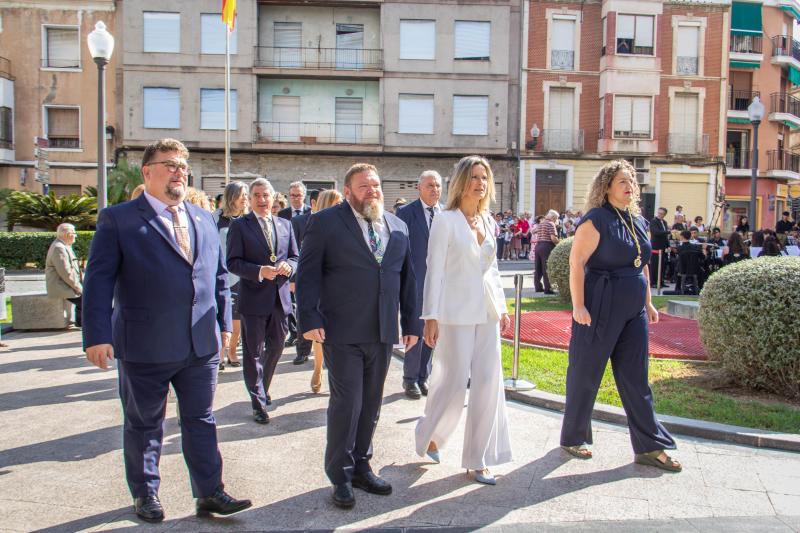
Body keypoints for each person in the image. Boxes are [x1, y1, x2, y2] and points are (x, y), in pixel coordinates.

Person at [82, 138, 251, 523]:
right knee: (144, 423)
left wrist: (224, 324)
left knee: (202, 419)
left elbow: (219, 278)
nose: (179, 172)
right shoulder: (119, 219)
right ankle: (146, 494)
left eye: (182, 166)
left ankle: (210, 492)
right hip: (144, 343)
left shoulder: (204, 218)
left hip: (199, 344)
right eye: (170, 164)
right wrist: (96, 335)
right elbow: (98, 280)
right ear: (148, 171)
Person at [296, 163, 419, 509]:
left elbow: (408, 280)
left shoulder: (398, 226)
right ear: (348, 191)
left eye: (376, 185)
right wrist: (308, 317)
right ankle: (340, 475)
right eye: (364, 186)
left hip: (381, 330)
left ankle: (362, 466)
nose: (372, 191)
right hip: (341, 328)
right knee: (347, 402)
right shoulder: (324, 223)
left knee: (372, 403)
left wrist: (412, 324)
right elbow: (308, 275)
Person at [560, 159, 680, 472]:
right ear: (607, 187)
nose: (629, 187)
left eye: (631, 181)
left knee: (636, 378)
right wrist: (578, 305)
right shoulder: (596, 219)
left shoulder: (638, 219)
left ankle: (649, 447)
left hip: (634, 308)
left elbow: (643, 264)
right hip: (600, 302)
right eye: (622, 182)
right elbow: (576, 263)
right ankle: (574, 437)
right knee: (586, 372)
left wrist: (649, 302)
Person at [415, 155, 512, 486]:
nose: (481, 183)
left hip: (486, 312)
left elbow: (493, 269)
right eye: (474, 177)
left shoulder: (489, 221)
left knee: (487, 383)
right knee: (453, 382)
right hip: (454, 313)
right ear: (461, 181)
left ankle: (478, 459)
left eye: (485, 177)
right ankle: (429, 434)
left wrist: (502, 307)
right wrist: (430, 317)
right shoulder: (446, 220)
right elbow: (434, 270)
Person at [226, 178, 299, 424]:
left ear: (273, 197)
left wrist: (290, 265)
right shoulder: (240, 226)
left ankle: (262, 386)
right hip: (253, 300)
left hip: (280, 299)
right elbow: (233, 262)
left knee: (277, 346)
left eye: (265, 195)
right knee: (253, 353)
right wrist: (259, 271)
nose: (261, 199)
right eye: (256, 195)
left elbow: (295, 256)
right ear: (249, 199)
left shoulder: (285, 225)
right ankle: (258, 402)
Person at [396, 170, 442, 399]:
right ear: (419, 188)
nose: (435, 189)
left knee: (433, 332)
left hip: (440, 285)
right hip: (415, 283)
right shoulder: (405, 213)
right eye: (430, 186)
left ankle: (424, 376)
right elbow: (399, 249)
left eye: (437, 186)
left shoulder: (446, 214)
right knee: (415, 330)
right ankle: (410, 379)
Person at [303, 189, 344, 393]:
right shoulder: (317, 224)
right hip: (320, 289)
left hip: (340, 292)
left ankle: (328, 373)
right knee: (321, 336)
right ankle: (318, 370)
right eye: (336, 203)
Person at [215, 181, 249, 370]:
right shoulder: (215, 219)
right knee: (220, 317)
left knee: (237, 320)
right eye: (242, 195)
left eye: (246, 195)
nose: (245, 199)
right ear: (232, 196)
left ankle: (232, 352)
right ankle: (220, 354)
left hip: (239, 276)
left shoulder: (248, 220)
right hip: (219, 275)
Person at [288, 189, 320, 365]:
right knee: (303, 312)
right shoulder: (299, 221)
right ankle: (302, 350)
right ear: (314, 203)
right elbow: (292, 251)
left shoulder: (335, 221)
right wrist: (292, 279)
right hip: (305, 275)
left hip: (326, 277)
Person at [45, 223, 83, 327]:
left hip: (65, 285)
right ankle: (84, 324)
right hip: (61, 287)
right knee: (86, 299)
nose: (75, 235)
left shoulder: (63, 245)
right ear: (68, 234)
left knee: (85, 298)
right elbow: (66, 273)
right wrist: (79, 288)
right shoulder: (59, 248)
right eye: (74, 233)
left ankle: (81, 323)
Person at [533, 210, 559, 294]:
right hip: (547, 246)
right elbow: (553, 238)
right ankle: (548, 288)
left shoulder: (541, 223)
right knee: (546, 267)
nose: (556, 220)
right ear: (553, 217)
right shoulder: (551, 224)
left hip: (538, 246)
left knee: (538, 267)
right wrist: (559, 243)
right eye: (556, 218)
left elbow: (533, 232)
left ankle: (538, 287)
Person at [649, 207, 669, 288]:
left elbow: (665, 236)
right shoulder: (653, 221)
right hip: (656, 246)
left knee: (662, 265)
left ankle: (660, 281)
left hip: (663, 246)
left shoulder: (664, 222)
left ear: (664, 215)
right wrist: (668, 232)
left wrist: (668, 245)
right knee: (655, 265)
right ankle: (653, 282)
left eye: (662, 214)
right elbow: (656, 232)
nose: (660, 215)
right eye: (659, 213)